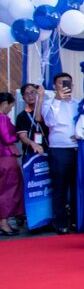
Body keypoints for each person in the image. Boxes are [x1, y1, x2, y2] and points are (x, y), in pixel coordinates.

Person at [39, 73, 82, 235]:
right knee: (60, 187)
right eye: (61, 83)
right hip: (59, 150)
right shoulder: (48, 103)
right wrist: (57, 100)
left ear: (73, 86)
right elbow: (49, 121)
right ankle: (60, 222)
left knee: (77, 187)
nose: (65, 86)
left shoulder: (78, 104)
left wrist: (80, 134)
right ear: (54, 86)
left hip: (78, 149)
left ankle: (76, 220)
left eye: (68, 83)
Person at [0, 92, 24, 235]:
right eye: (10, 106)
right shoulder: (2, 118)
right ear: (5, 104)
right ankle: (4, 222)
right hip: (6, 157)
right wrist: (18, 135)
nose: (10, 109)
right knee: (8, 190)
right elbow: (7, 138)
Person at [15, 83, 46, 160]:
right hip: (31, 153)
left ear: (38, 93)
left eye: (32, 92)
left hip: (49, 150)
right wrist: (33, 144)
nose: (30, 96)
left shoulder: (47, 111)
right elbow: (23, 137)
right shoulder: (22, 116)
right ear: (23, 98)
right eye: (26, 94)